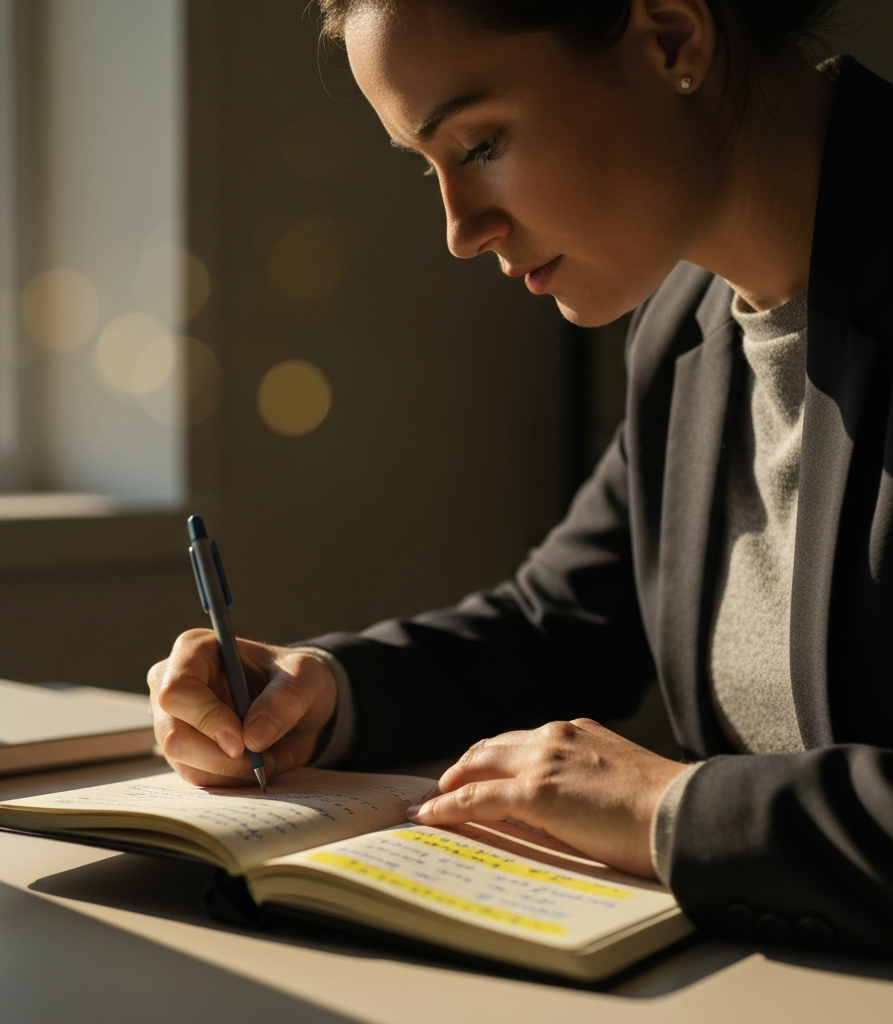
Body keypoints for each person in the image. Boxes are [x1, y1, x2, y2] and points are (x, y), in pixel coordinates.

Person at [148, 0, 893, 957]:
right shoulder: (682, 327)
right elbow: (561, 624)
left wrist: (678, 806)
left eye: (482, 141)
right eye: (430, 166)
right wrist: (319, 693)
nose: (459, 229)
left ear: (673, 37)